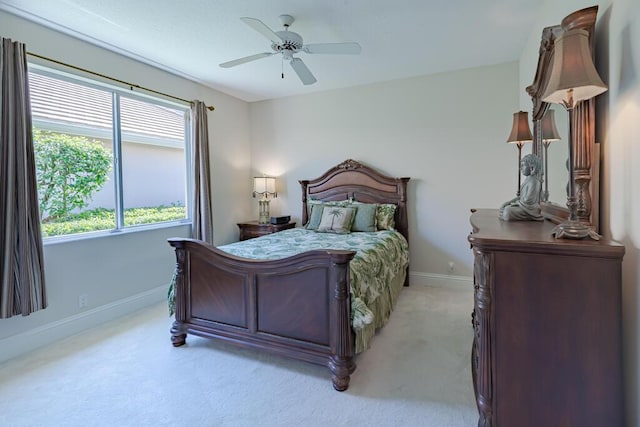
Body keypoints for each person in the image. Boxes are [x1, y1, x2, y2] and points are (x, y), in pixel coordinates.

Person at [499, 154, 544, 221]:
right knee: (504, 207)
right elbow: (521, 197)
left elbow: (528, 200)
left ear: (532, 168)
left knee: (507, 211)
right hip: (524, 207)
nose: (521, 168)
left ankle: (528, 217)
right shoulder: (528, 179)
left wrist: (514, 204)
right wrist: (509, 202)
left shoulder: (534, 181)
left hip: (530, 209)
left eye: (523, 166)